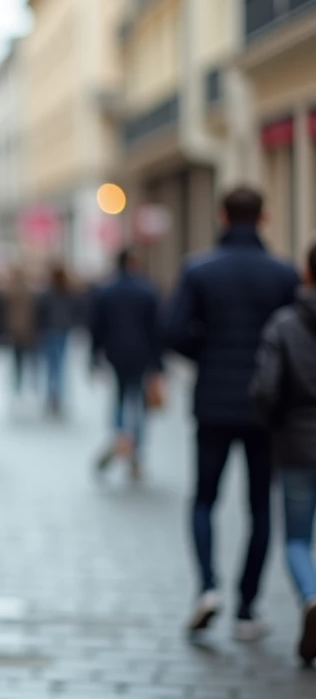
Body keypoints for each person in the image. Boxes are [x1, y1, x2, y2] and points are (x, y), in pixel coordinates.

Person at [165, 186, 300, 640]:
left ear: (222, 216)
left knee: (204, 498)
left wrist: (206, 354)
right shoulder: (282, 273)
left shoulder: (199, 269)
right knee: (260, 505)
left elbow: (173, 330)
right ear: (264, 218)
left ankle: (207, 587)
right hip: (266, 406)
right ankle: (246, 608)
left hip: (213, 402)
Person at [250, 240, 316, 665]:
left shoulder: (284, 324)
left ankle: (311, 597)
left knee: (296, 539)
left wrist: (274, 424)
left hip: (297, 445)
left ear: (306, 272)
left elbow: (266, 389)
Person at [88, 249, 163, 481]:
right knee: (138, 402)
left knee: (120, 397)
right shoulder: (147, 290)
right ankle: (136, 450)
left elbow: (96, 327)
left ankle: (121, 437)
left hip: (116, 354)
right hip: (141, 354)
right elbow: (156, 329)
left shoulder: (105, 290)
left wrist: (94, 355)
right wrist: (158, 363)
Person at [37, 263, 77, 418]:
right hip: (61, 331)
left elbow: (41, 314)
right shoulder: (67, 293)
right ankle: (56, 396)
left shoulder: (49, 293)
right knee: (59, 366)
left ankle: (53, 396)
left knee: (52, 367)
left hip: (52, 331)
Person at [2, 266, 39, 397]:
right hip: (27, 329)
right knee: (30, 358)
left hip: (14, 329)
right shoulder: (30, 292)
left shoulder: (9, 291)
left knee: (17, 358)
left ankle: (18, 382)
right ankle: (31, 384)